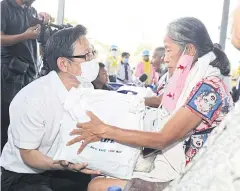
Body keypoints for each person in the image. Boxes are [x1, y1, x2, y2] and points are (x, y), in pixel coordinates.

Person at [67, 17, 233, 191]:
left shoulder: (208, 89)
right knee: (106, 168)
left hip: (194, 177)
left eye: (168, 51)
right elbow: (162, 105)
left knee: (97, 185)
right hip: (180, 164)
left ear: (189, 50)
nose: (165, 59)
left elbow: (163, 139)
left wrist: (104, 130)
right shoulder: (196, 82)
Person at [1, 25, 101, 191]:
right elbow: (28, 154)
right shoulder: (33, 98)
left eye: (92, 53)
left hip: (66, 166)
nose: (91, 60)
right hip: (26, 174)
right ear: (64, 64)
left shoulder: (86, 88)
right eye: (86, 55)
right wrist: (62, 165)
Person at [1, 0, 53, 150]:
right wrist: (24, 35)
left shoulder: (31, 10)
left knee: (25, 117)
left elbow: (34, 36)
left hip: (30, 71)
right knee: (7, 118)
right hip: (10, 72)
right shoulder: (4, 6)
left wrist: (41, 21)